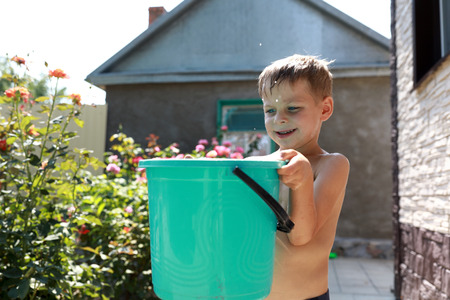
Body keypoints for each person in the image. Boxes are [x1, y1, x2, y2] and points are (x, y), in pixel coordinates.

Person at [258, 54, 350, 299]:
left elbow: (300, 237)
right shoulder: (255, 167)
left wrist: (303, 180)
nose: (279, 118)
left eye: (292, 108)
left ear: (325, 108)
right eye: (270, 110)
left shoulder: (331, 165)